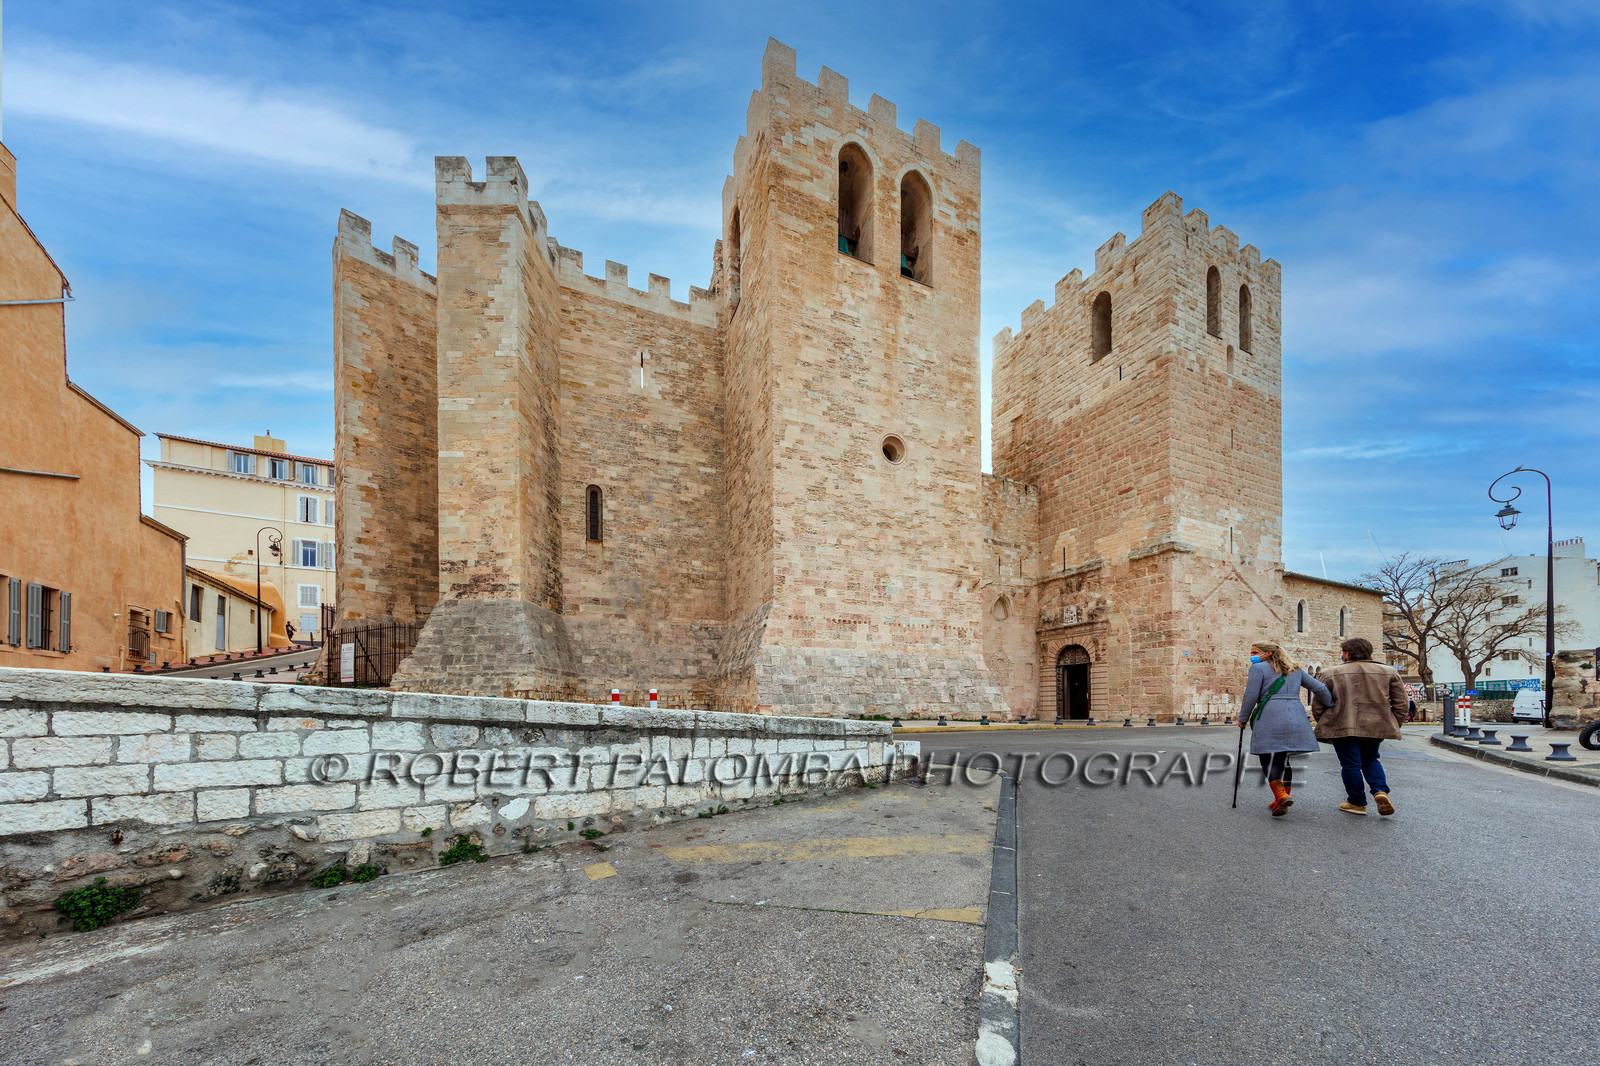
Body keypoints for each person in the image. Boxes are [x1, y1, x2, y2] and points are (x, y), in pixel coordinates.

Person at [1314, 637, 1407, 816]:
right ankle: (1380, 790)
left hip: (1343, 725)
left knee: (1350, 764)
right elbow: (1401, 703)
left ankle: (1356, 802)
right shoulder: (1388, 672)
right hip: (1375, 725)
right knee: (1371, 759)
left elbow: (1319, 704)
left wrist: (1326, 721)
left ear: (1347, 653)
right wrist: (1393, 722)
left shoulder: (1329, 673)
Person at [1238, 641, 1331, 816]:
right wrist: (1330, 706)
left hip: (1269, 716)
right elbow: (1320, 688)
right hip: (1295, 715)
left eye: (1255, 652)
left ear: (1268, 653)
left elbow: (1250, 696)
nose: (1252, 655)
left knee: (1267, 756)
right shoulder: (1295, 670)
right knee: (1283, 758)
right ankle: (1283, 797)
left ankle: (1280, 795)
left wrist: (1242, 718)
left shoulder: (1258, 669)